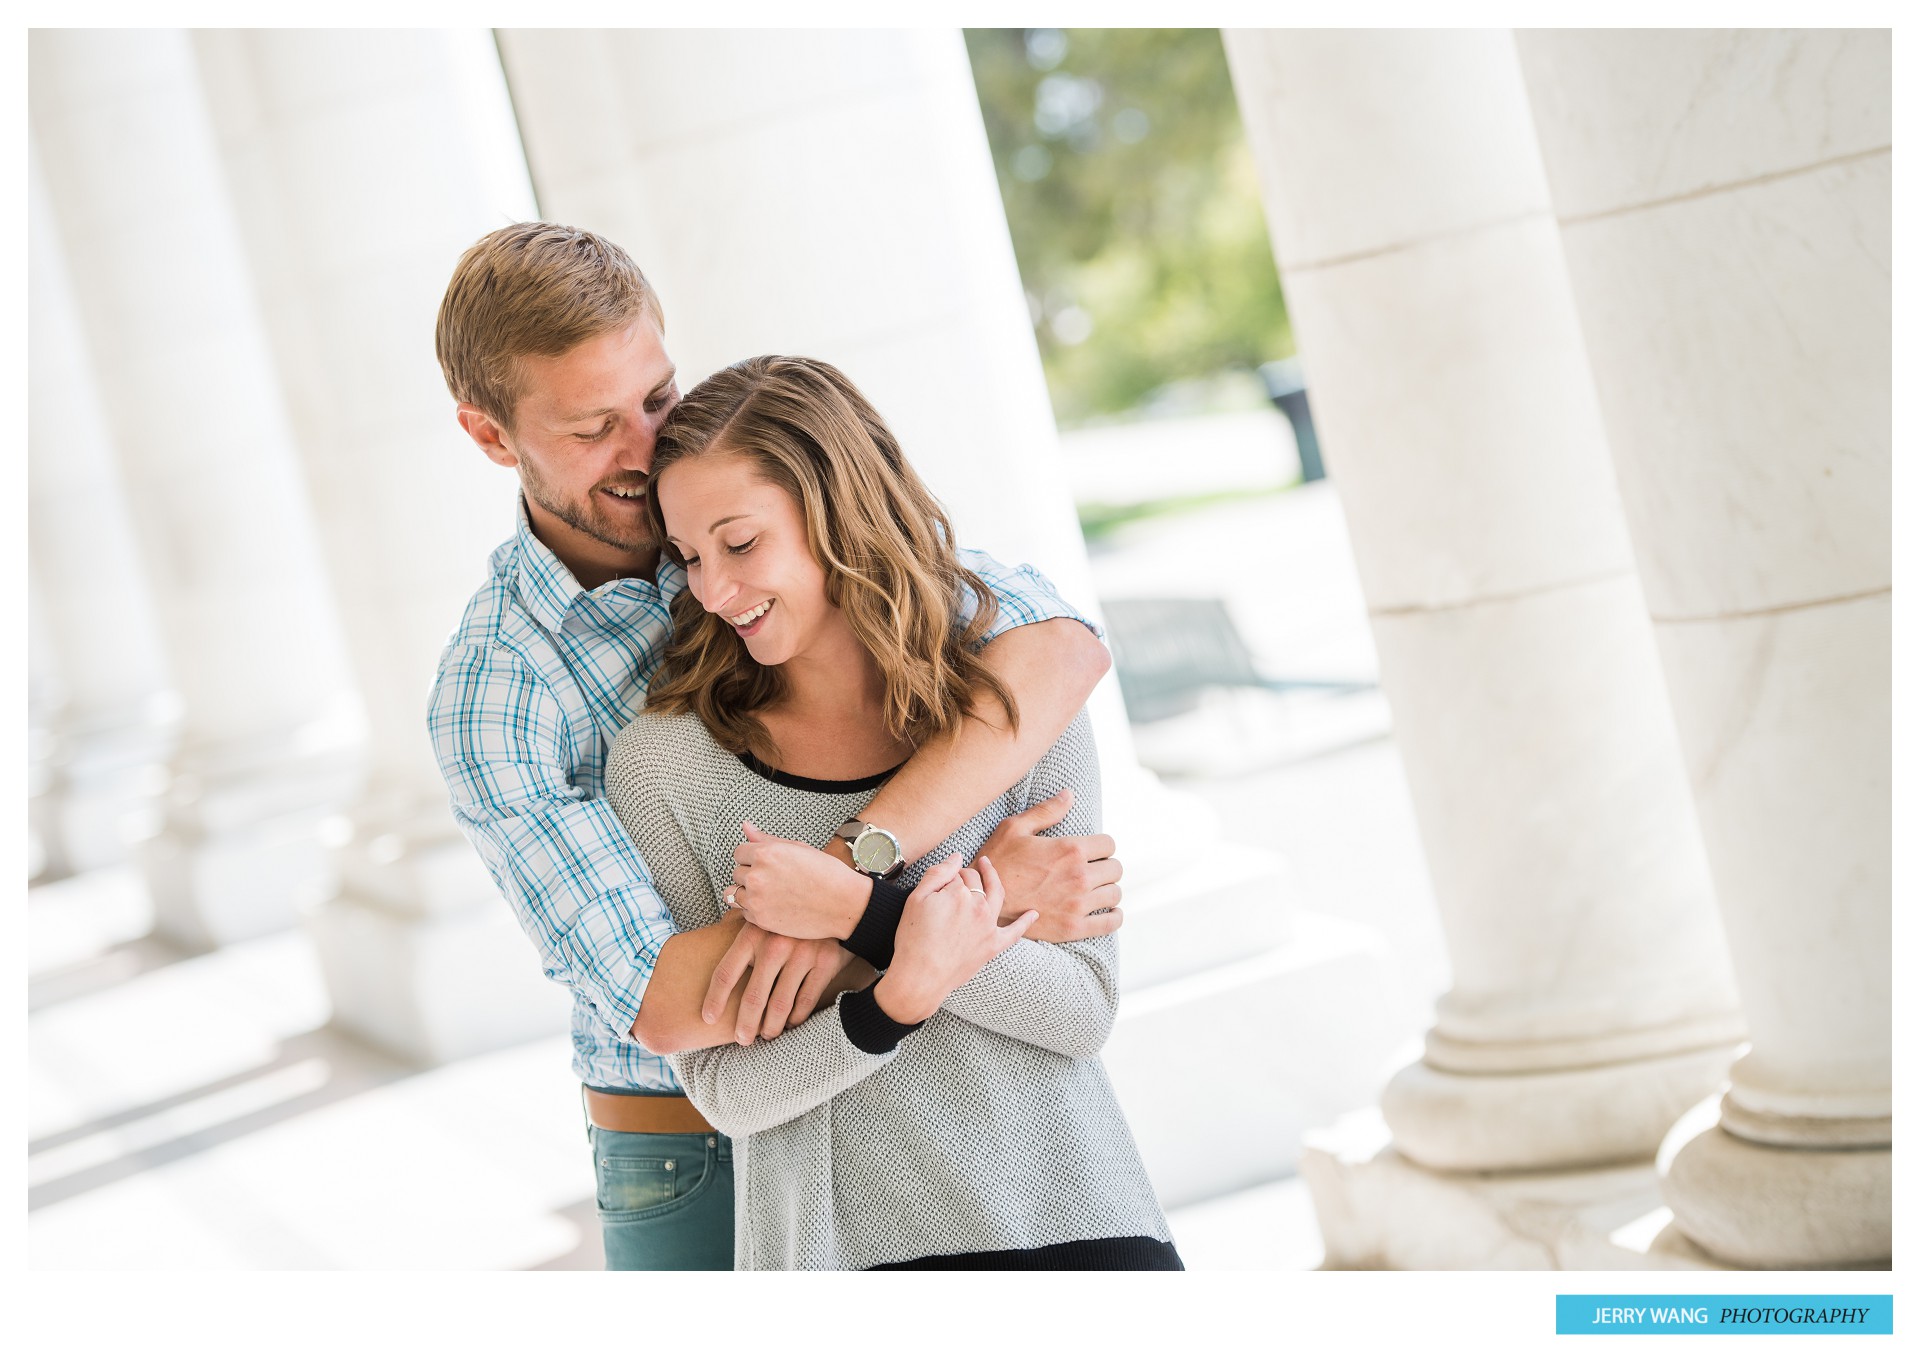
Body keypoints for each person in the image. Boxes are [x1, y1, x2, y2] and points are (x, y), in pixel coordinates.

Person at [426, 223, 1127, 1270]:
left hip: (914, 1066)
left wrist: (852, 876)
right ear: (490, 435)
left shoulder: (729, 494)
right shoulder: (496, 697)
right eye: (590, 429)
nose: (644, 450)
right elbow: (665, 1003)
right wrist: (981, 887)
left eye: (655, 398)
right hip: (693, 1144)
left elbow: (1055, 650)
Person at [605, 355, 1180, 1270]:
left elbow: (1081, 1012)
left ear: (839, 511)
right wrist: (905, 985)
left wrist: (859, 912)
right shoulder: (670, 768)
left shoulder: (1007, 701)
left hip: (1075, 1219)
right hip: (842, 1253)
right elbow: (727, 1091)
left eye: (740, 543)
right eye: (688, 557)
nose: (712, 590)